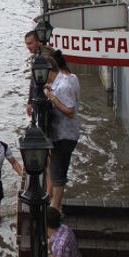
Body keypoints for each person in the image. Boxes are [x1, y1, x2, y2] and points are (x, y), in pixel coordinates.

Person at [43, 56, 80, 212]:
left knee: (58, 173)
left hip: (65, 135)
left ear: (48, 70)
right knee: (57, 170)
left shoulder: (63, 86)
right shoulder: (58, 83)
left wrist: (51, 97)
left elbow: (70, 111)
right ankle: (55, 204)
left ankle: (54, 209)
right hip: (60, 134)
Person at [24, 30, 54, 118]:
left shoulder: (44, 57)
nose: (28, 47)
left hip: (44, 100)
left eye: (30, 43)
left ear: (38, 42)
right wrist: (30, 102)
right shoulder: (36, 56)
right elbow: (33, 81)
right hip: (38, 98)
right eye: (26, 44)